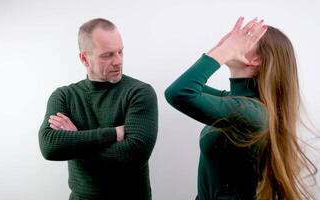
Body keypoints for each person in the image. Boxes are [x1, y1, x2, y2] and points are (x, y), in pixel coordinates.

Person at [165, 17, 317, 200]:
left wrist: (226, 51)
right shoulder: (237, 102)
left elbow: (179, 92)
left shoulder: (251, 112)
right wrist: (222, 47)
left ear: (256, 60)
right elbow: (184, 86)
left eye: (249, 38)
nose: (239, 40)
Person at [38, 18, 158, 200]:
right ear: (84, 58)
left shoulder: (139, 92)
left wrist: (75, 139)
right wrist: (112, 133)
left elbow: (133, 156)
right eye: (107, 55)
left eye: (120, 51)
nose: (118, 61)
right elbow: (49, 147)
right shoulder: (64, 96)